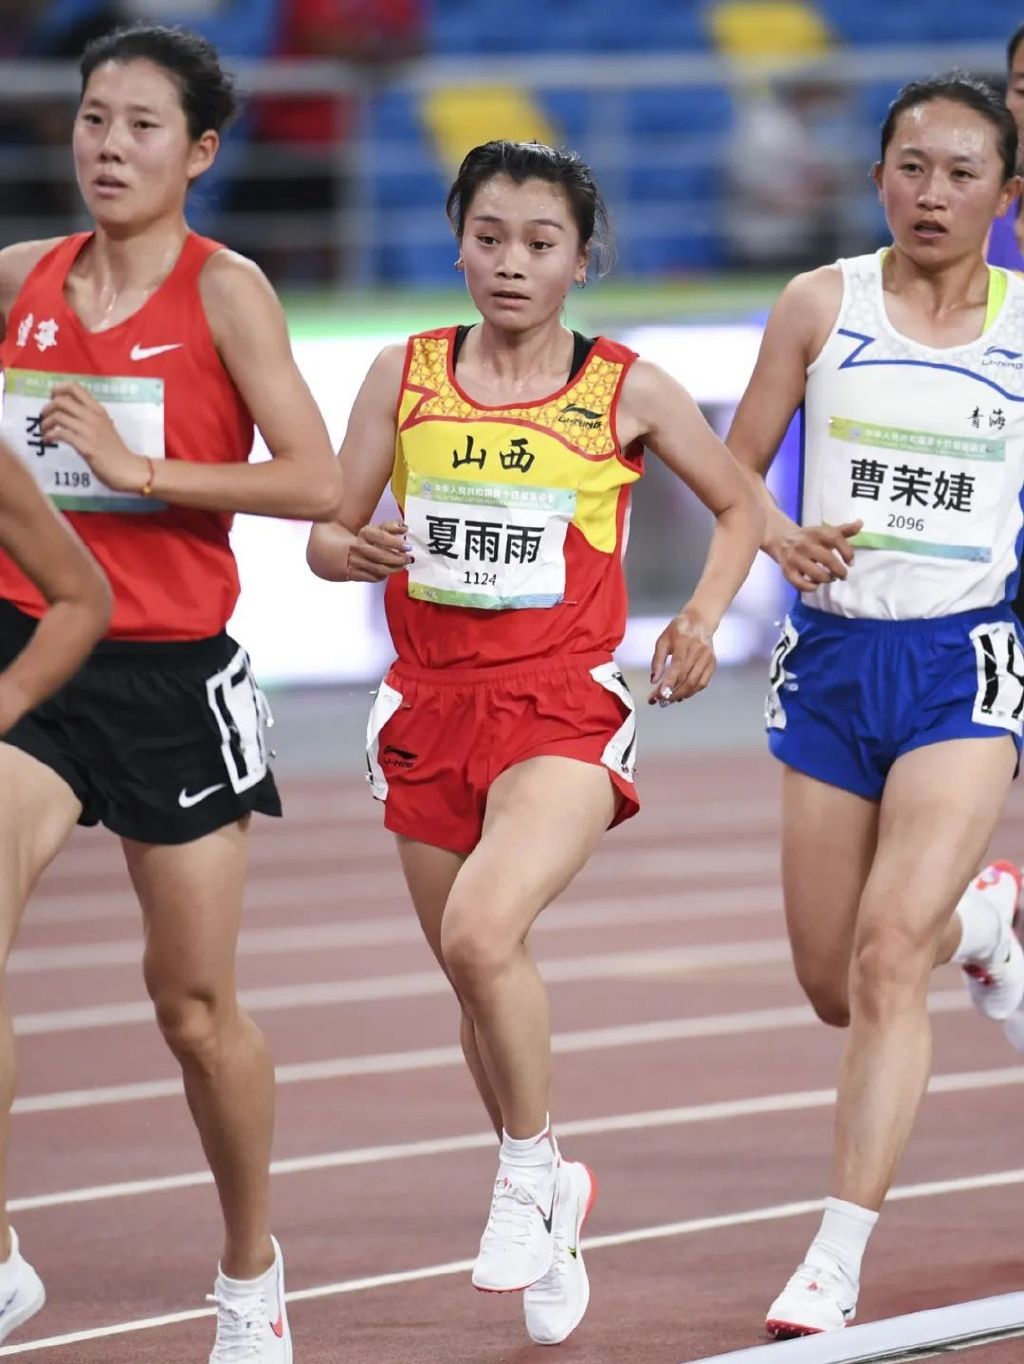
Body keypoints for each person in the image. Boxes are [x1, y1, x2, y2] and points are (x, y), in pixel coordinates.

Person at [307, 138, 763, 1347]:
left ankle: (521, 1172)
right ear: (458, 243)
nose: (511, 262)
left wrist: (701, 617)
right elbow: (326, 533)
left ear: (581, 259)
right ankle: (551, 1189)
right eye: (490, 237)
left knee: (478, 929)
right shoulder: (403, 372)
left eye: (540, 242)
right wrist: (350, 548)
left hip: (561, 701)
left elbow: (738, 505)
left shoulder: (626, 387)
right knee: (476, 975)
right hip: (427, 706)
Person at [0, 22, 340, 1360]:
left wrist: (143, 473)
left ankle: (251, 1269)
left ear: (198, 152)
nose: (108, 145)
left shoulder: (226, 292)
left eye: (141, 126)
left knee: (193, 1009)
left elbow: (314, 479)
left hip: (170, 673)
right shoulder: (18, 279)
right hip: (30, 649)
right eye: (94, 118)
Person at [728, 73, 1024, 1337]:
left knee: (888, 947)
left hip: (964, 660)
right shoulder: (819, 303)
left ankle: (833, 1253)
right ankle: (987, 921)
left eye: (961, 172)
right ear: (874, 178)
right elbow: (734, 470)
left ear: (1006, 194)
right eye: (911, 166)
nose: (932, 192)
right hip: (834, 659)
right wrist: (771, 540)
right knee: (834, 978)